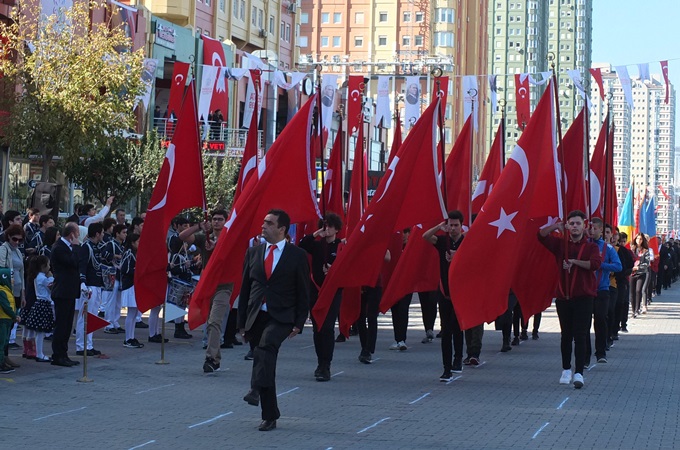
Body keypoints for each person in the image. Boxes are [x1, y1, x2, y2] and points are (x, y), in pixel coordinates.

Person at [238, 209, 310, 431]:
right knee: (264, 359)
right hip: (256, 315)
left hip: (282, 316)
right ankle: (270, 415)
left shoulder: (296, 255)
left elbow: (304, 292)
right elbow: (245, 288)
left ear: (282, 229)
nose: (263, 226)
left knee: (266, 346)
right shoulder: (253, 253)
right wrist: (241, 322)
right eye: (263, 222)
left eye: (269, 223)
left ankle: (255, 388)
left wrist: (299, 322)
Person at [538, 210, 601, 389]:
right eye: (571, 223)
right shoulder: (561, 245)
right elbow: (540, 236)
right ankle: (566, 368)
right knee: (566, 335)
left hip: (584, 298)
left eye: (578, 223)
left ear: (584, 226)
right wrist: (556, 227)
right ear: (568, 225)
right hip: (564, 297)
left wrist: (574, 262)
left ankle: (579, 372)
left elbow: (595, 264)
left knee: (581, 336)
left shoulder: (591, 247)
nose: (575, 227)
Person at [179, 210, 234, 370]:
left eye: (220, 219)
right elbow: (182, 237)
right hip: (207, 284)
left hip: (224, 285)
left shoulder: (230, 237)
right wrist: (198, 226)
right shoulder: (204, 238)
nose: (217, 222)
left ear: (226, 221)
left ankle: (210, 358)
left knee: (214, 320)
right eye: (214, 219)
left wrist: (217, 245)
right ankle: (215, 357)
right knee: (209, 321)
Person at [299, 212, 343, 381]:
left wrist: (334, 269)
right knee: (318, 328)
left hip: (332, 292)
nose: (328, 228)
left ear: (337, 228)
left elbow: (346, 267)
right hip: (315, 290)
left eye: (330, 225)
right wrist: (317, 233)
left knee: (327, 327)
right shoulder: (317, 245)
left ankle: (326, 365)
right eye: (325, 225)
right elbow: (302, 245)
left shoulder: (341, 245)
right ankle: (320, 362)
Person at [423, 210, 466, 381]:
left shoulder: (466, 242)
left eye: (456, 225)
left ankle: (458, 359)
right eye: (451, 225)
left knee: (457, 329)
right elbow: (425, 237)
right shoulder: (443, 241)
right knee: (446, 330)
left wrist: (458, 256)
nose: (453, 228)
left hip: (460, 293)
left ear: (462, 226)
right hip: (444, 292)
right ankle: (446, 368)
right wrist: (440, 227)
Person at [585, 219, 621, 366]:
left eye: (595, 228)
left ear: (600, 231)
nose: (592, 231)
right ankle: (584, 356)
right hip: (585, 290)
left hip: (602, 289)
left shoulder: (608, 248)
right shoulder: (584, 245)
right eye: (590, 228)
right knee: (584, 324)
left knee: (600, 319)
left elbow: (618, 266)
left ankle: (601, 352)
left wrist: (601, 265)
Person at [49, 222, 82, 367]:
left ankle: (64, 353)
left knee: (68, 325)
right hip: (62, 292)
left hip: (70, 291)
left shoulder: (67, 248)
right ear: (72, 234)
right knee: (61, 325)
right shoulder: (59, 248)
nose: (79, 237)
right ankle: (57, 355)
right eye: (77, 234)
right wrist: (75, 247)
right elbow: (73, 262)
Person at [75, 223, 106, 357]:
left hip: (97, 285)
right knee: (85, 317)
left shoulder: (97, 248)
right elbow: (82, 266)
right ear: (97, 234)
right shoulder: (86, 247)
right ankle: (81, 346)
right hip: (89, 287)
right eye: (102, 232)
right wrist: (82, 283)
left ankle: (89, 344)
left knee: (92, 317)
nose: (103, 235)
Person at [0, 224, 26, 364]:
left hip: (16, 291)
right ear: (8, 236)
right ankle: (2, 356)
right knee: (4, 325)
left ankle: (5, 355)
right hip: (6, 291)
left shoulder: (17, 252)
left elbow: (22, 273)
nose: (17, 242)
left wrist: (23, 294)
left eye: (19, 240)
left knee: (11, 325)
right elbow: (2, 269)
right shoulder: (3, 250)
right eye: (14, 239)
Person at [22, 256, 55, 362]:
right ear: (43, 266)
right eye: (48, 264)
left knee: (38, 331)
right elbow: (52, 287)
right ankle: (39, 354)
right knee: (40, 331)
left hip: (39, 304)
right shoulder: (42, 278)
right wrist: (51, 277)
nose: (49, 267)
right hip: (43, 304)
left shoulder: (37, 276)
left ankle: (35, 351)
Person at [101, 224, 127, 334]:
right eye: (123, 232)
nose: (125, 235)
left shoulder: (123, 246)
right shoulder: (111, 244)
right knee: (111, 301)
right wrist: (115, 256)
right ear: (117, 233)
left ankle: (115, 322)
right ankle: (108, 323)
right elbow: (103, 254)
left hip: (120, 276)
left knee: (118, 302)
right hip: (111, 274)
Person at [120, 233, 144, 348]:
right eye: (138, 242)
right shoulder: (129, 253)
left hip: (134, 285)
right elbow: (125, 269)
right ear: (132, 243)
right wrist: (137, 272)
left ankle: (131, 336)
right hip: (130, 286)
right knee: (131, 313)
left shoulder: (135, 253)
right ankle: (128, 338)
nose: (139, 244)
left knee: (134, 313)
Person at [0, 268, 21, 373]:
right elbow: (6, 306)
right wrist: (14, 315)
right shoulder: (2, 291)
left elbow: (12, 304)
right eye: (11, 277)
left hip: (8, 319)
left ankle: (2, 361)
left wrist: (16, 313)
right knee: (1, 342)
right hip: (3, 319)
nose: (12, 280)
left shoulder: (7, 290)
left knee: (4, 343)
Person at [614, 232, 634, 334]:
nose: (621, 243)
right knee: (615, 305)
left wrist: (624, 273)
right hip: (612, 282)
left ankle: (623, 324)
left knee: (623, 303)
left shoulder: (626, 252)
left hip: (623, 281)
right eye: (620, 241)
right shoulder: (612, 249)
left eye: (623, 241)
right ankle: (615, 327)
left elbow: (630, 265)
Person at [630, 233, 652, 317]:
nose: (638, 241)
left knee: (638, 290)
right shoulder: (632, 250)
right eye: (637, 239)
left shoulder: (646, 251)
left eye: (640, 239)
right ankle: (633, 310)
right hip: (632, 273)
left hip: (641, 273)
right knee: (632, 293)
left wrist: (638, 267)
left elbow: (646, 263)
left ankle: (637, 309)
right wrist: (632, 268)